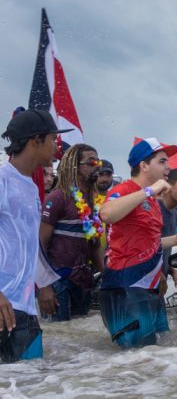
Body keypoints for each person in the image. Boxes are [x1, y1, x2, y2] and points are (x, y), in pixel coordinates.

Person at [98, 137, 177, 349]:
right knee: (136, 363)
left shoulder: (153, 200)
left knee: (158, 358)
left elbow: (149, 242)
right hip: (125, 287)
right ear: (144, 165)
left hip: (148, 288)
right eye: (162, 161)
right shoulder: (127, 190)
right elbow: (106, 213)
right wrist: (150, 191)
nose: (168, 167)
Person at [0, 109, 65, 362]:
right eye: (52, 139)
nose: (55, 146)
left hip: (24, 308)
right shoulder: (3, 179)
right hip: (3, 304)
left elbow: (27, 243)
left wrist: (44, 284)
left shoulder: (30, 185)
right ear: (35, 140)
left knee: (32, 381)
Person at [39, 144, 103, 321]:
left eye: (98, 161)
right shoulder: (58, 197)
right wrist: (44, 286)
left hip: (83, 282)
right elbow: (39, 244)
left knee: (80, 343)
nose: (97, 165)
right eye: (91, 162)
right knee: (59, 339)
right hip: (57, 283)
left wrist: (107, 276)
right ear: (75, 166)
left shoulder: (92, 200)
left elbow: (95, 244)